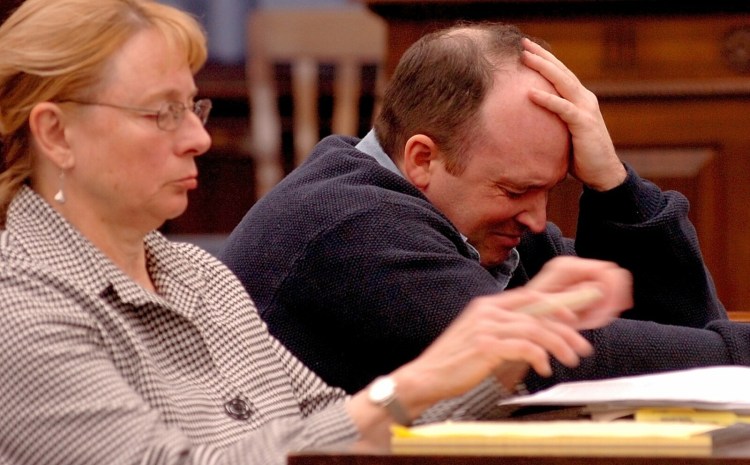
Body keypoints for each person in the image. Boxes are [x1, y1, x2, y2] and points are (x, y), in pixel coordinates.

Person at [0, 1, 639, 464]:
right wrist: (410, 386)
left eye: (192, 107)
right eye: (160, 113)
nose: (197, 137)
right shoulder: (19, 306)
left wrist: (506, 346)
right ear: (56, 133)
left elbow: (328, 428)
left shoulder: (199, 276)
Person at [220, 22, 729, 394]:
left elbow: (688, 331)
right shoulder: (350, 225)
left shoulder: (482, 223)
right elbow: (555, 363)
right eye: (514, 191)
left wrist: (613, 184)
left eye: (550, 190)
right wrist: (736, 354)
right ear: (423, 158)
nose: (537, 219)